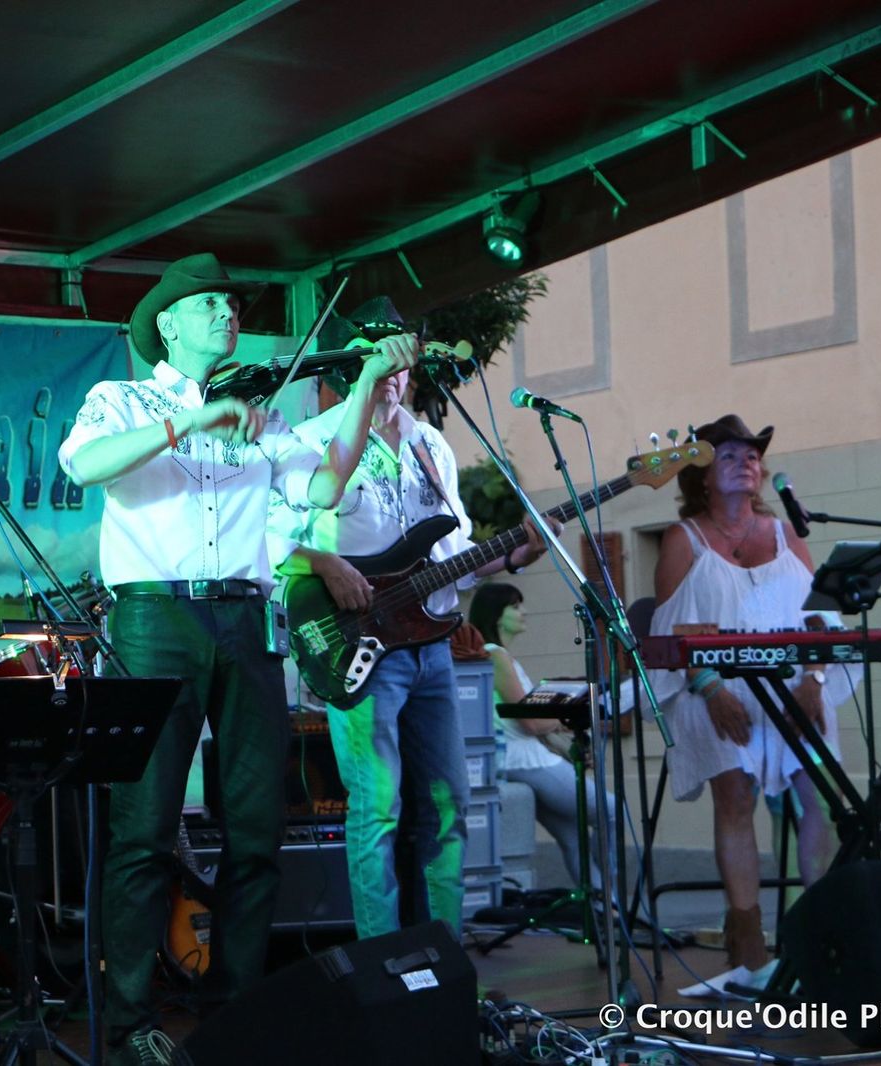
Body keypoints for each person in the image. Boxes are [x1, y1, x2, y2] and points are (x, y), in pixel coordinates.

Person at [59, 254, 416, 1065]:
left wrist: (365, 387)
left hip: (248, 615)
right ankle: (130, 1022)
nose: (227, 313)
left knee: (257, 826)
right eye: (209, 303)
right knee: (145, 827)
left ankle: (235, 1007)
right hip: (156, 615)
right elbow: (83, 464)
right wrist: (192, 422)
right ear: (168, 323)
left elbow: (323, 489)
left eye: (230, 303)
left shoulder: (262, 413)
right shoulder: (122, 399)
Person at [269, 297, 549, 939]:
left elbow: (454, 557)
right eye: (378, 357)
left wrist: (514, 554)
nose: (392, 371)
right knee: (377, 807)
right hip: (359, 648)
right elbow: (267, 543)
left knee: (451, 802)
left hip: (431, 649)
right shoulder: (310, 442)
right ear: (349, 367)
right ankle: (381, 960)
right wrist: (324, 563)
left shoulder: (431, 446)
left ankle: (444, 953)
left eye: (400, 358)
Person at [649, 414, 854, 997]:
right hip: (715, 688)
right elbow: (668, 635)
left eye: (752, 455)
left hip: (794, 685)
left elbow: (821, 619)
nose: (746, 463)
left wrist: (814, 677)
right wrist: (711, 687)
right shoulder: (682, 539)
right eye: (729, 455)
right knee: (736, 795)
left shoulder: (787, 534)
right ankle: (749, 949)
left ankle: (821, 938)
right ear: (702, 475)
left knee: (820, 795)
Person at [469, 581, 617, 893]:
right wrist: (565, 716)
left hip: (519, 758)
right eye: (515, 606)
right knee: (612, 811)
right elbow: (531, 723)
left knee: (574, 838)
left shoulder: (499, 655)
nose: (524, 612)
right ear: (496, 615)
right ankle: (610, 900)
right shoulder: (495, 654)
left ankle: (604, 902)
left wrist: (554, 721)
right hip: (525, 759)